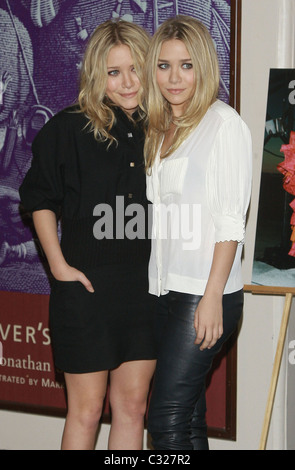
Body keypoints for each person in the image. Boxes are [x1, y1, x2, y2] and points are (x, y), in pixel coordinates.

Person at [19, 19, 157, 450]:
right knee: (86, 410)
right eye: (115, 72)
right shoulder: (68, 128)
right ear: (97, 75)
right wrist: (58, 266)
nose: (128, 82)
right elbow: (38, 198)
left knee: (133, 407)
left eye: (136, 68)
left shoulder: (161, 130)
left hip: (145, 290)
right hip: (86, 291)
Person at [143, 15, 252, 450]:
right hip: (165, 291)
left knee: (164, 419)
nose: (174, 78)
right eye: (164, 65)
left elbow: (230, 222)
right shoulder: (159, 128)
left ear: (204, 66)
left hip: (203, 293)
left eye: (186, 65)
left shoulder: (223, 125)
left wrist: (210, 296)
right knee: (187, 418)